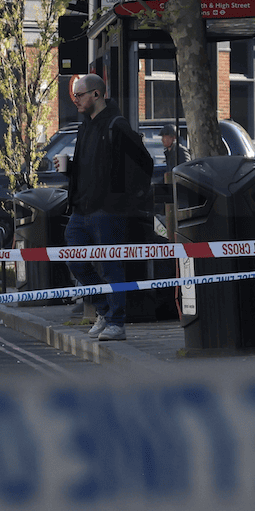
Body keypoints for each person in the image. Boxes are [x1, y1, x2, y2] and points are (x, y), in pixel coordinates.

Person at [64, 74, 153, 342]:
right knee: (73, 257)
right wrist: (69, 169)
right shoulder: (85, 127)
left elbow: (144, 164)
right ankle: (104, 310)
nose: (76, 100)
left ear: (96, 95)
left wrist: (123, 199)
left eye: (79, 95)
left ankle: (116, 322)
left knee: (111, 265)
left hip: (108, 210)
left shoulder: (117, 125)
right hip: (82, 209)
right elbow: (88, 167)